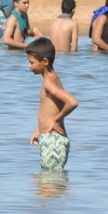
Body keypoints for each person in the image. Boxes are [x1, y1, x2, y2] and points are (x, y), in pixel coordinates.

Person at [26, 38, 79, 173]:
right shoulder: (52, 79)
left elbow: (72, 102)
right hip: (51, 139)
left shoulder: (49, 82)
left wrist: (55, 120)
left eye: (32, 62)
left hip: (53, 141)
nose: (29, 66)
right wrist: (39, 128)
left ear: (45, 61)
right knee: (48, 185)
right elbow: (52, 107)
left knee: (49, 187)